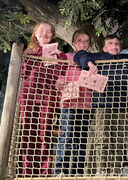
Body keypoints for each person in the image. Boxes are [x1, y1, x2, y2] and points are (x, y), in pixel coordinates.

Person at [74, 34, 128, 177]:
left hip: (121, 105)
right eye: (110, 43)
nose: (114, 45)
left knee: (117, 139)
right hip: (102, 104)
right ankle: (102, 168)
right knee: (103, 136)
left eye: (117, 43)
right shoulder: (98, 58)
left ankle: (115, 170)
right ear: (105, 48)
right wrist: (90, 64)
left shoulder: (126, 61)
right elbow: (79, 55)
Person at [19, 22, 70, 176]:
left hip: (48, 96)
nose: (45, 34)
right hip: (29, 94)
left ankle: (44, 173)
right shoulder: (30, 51)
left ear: (53, 35)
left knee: (44, 134)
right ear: (35, 33)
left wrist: (54, 62)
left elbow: (61, 75)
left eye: (49, 31)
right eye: (42, 30)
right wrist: (31, 55)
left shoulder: (59, 53)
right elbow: (23, 74)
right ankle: (27, 173)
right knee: (28, 133)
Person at [54, 30, 95, 176]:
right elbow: (57, 79)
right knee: (68, 135)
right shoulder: (66, 57)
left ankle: (77, 171)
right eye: (80, 40)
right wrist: (62, 82)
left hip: (85, 104)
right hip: (69, 103)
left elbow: (95, 83)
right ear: (73, 43)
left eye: (86, 41)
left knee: (82, 138)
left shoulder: (91, 60)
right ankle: (61, 170)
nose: (83, 43)